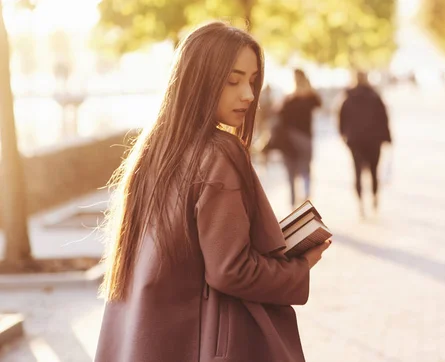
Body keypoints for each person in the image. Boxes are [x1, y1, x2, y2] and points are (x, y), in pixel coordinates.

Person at [95, 22, 331, 362]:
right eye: (232, 80)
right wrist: (299, 267)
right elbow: (230, 270)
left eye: (251, 81)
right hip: (206, 344)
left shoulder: (152, 152)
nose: (248, 95)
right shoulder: (219, 152)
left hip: (147, 342)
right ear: (198, 81)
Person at [339, 71, 392, 218]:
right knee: (374, 171)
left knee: (357, 172)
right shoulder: (374, 96)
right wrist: (387, 138)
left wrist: (344, 135)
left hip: (355, 141)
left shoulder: (348, 97)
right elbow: (384, 118)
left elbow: (341, 118)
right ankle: (374, 196)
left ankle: (361, 203)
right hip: (374, 140)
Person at [275, 69, 321, 208]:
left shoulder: (289, 98)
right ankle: (305, 197)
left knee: (291, 170)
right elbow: (319, 103)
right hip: (303, 138)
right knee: (305, 167)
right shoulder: (308, 97)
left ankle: (293, 201)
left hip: (290, 139)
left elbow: (278, 113)